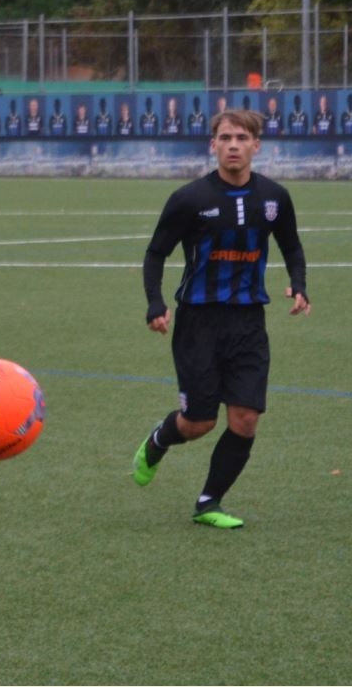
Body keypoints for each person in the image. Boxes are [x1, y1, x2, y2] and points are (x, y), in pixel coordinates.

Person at [133, 109, 311, 529]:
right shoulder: (190, 199)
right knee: (199, 423)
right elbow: (156, 252)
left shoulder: (274, 198)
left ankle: (209, 503)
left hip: (248, 323)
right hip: (198, 323)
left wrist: (299, 285)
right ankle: (158, 440)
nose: (234, 145)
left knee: (246, 418)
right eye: (226, 138)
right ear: (212, 144)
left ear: (256, 146)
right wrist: (155, 303)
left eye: (242, 138)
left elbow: (291, 246)